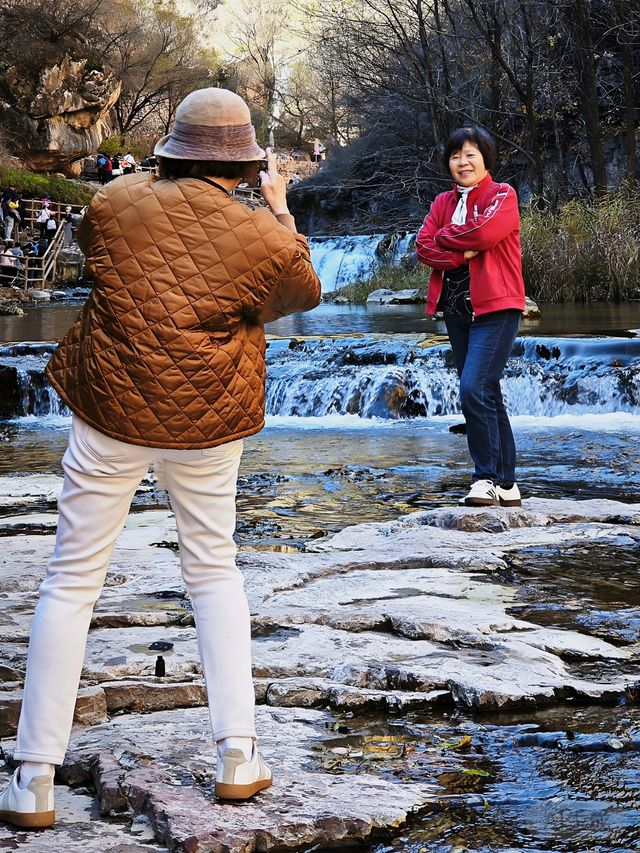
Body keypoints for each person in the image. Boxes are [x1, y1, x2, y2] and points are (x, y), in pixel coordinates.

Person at [0, 86, 321, 829]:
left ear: (172, 148)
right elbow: (301, 288)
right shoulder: (262, 237)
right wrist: (277, 207)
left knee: (70, 579)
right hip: (206, 422)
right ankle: (239, 757)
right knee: (213, 572)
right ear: (244, 163)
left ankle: (33, 778)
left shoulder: (114, 202)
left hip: (110, 408)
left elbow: (98, 249)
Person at [416, 126, 525, 508]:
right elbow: (423, 246)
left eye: (470, 154)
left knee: (472, 389)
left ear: (485, 158)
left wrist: (447, 238)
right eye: (455, 155)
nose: (462, 162)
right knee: (487, 392)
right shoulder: (442, 201)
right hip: (457, 311)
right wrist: (458, 255)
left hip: (496, 308)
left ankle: (484, 478)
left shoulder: (502, 195)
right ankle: (508, 484)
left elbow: (485, 234)